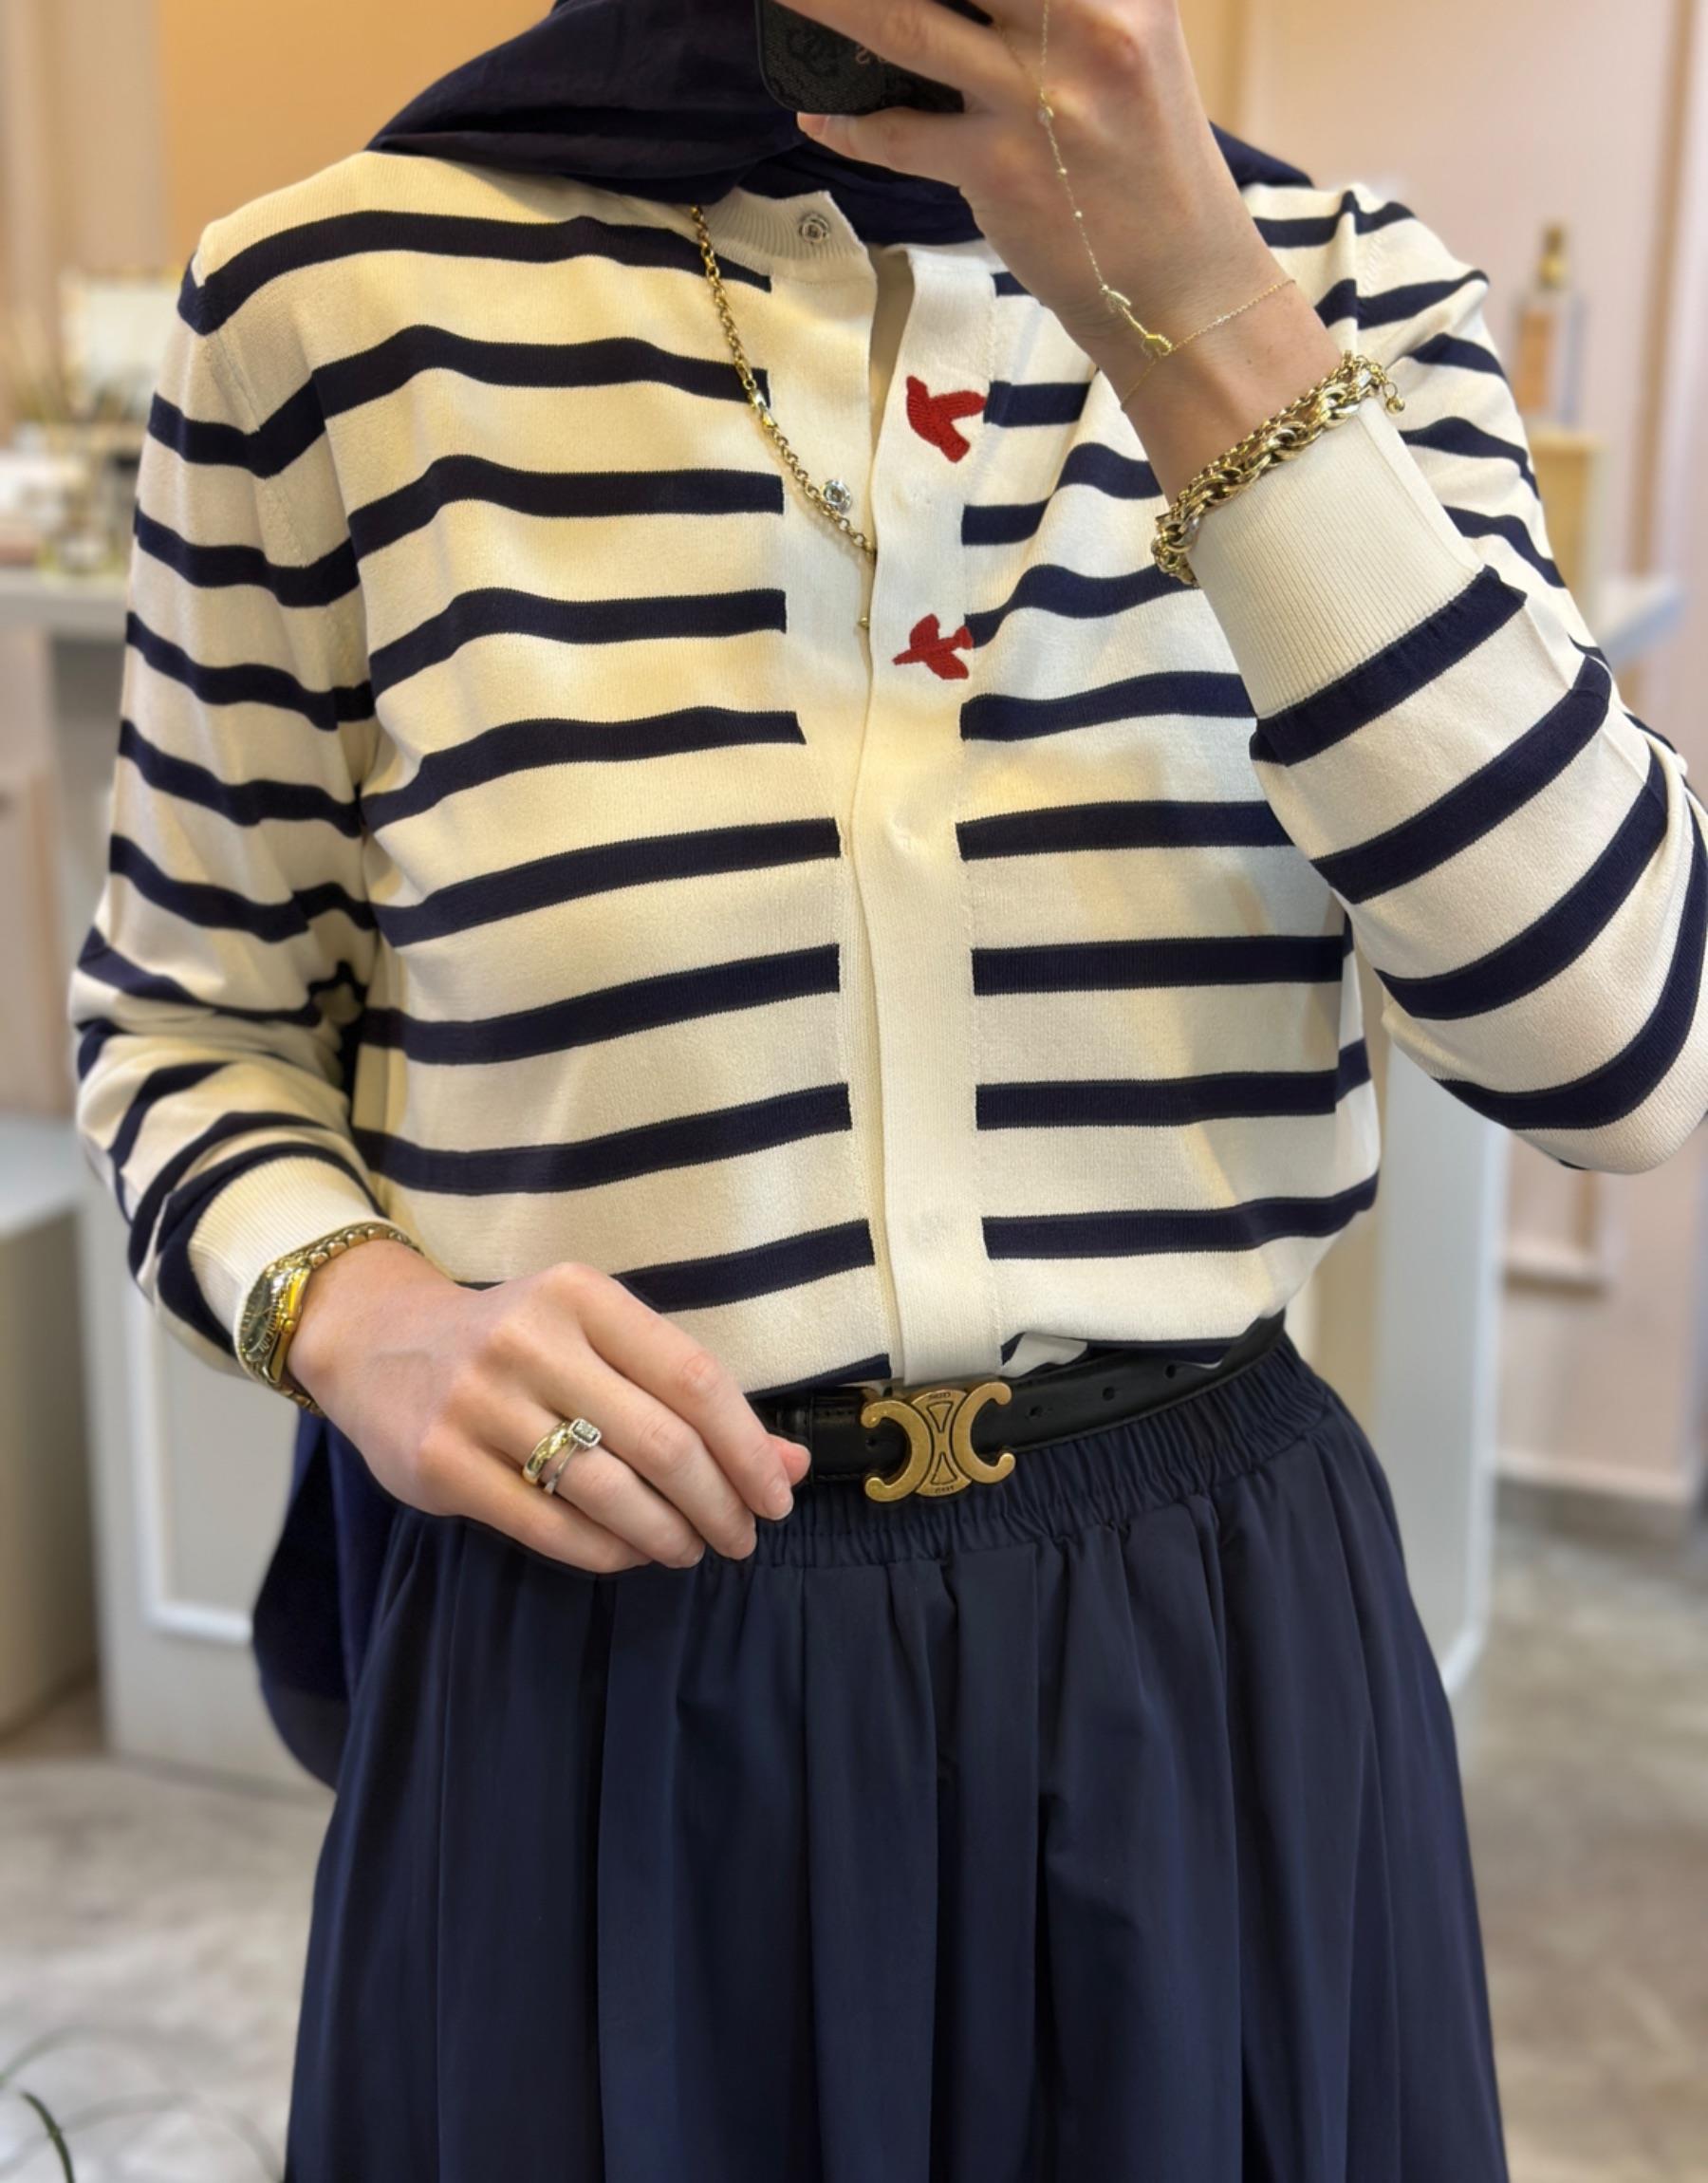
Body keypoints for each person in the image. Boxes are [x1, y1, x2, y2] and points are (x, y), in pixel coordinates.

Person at [66, 0, 1706, 2174]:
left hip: (1199, 1666)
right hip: (601, 1680)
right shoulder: (336, 305)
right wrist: (359, 1313)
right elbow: (186, 1019)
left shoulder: (1347, 290)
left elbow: (1619, 1043)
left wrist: (1197, 307)